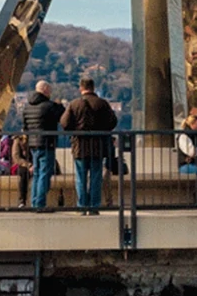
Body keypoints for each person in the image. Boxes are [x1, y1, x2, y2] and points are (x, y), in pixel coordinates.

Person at [60, 77, 117, 215]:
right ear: (93, 87)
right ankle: (94, 206)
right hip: (98, 146)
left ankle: (81, 206)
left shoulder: (74, 104)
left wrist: (75, 130)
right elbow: (113, 122)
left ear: (81, 88)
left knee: (80, 178)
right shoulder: (102, 104)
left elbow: (64, 123)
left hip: (79, 145)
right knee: (96, 177)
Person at [21, 81, 64, 211]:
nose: (50, 93)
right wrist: (59, 105)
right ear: (45, 89)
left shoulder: (27, 107)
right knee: (45, 173)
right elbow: (61, 115)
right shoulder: (49, 106)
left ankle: (35, 202)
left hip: (33, 144)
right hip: (46, 143)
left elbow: (25, 126)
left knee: (37, 174)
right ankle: (40, 203)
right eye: (49, 90)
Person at [11, 134, 34, 207]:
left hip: (35, 164)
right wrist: (29, 165)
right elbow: (16, 157)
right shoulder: (18, 140)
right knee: (24, 174)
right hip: (22, 164)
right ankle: (22, 201)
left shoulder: (36, 139)